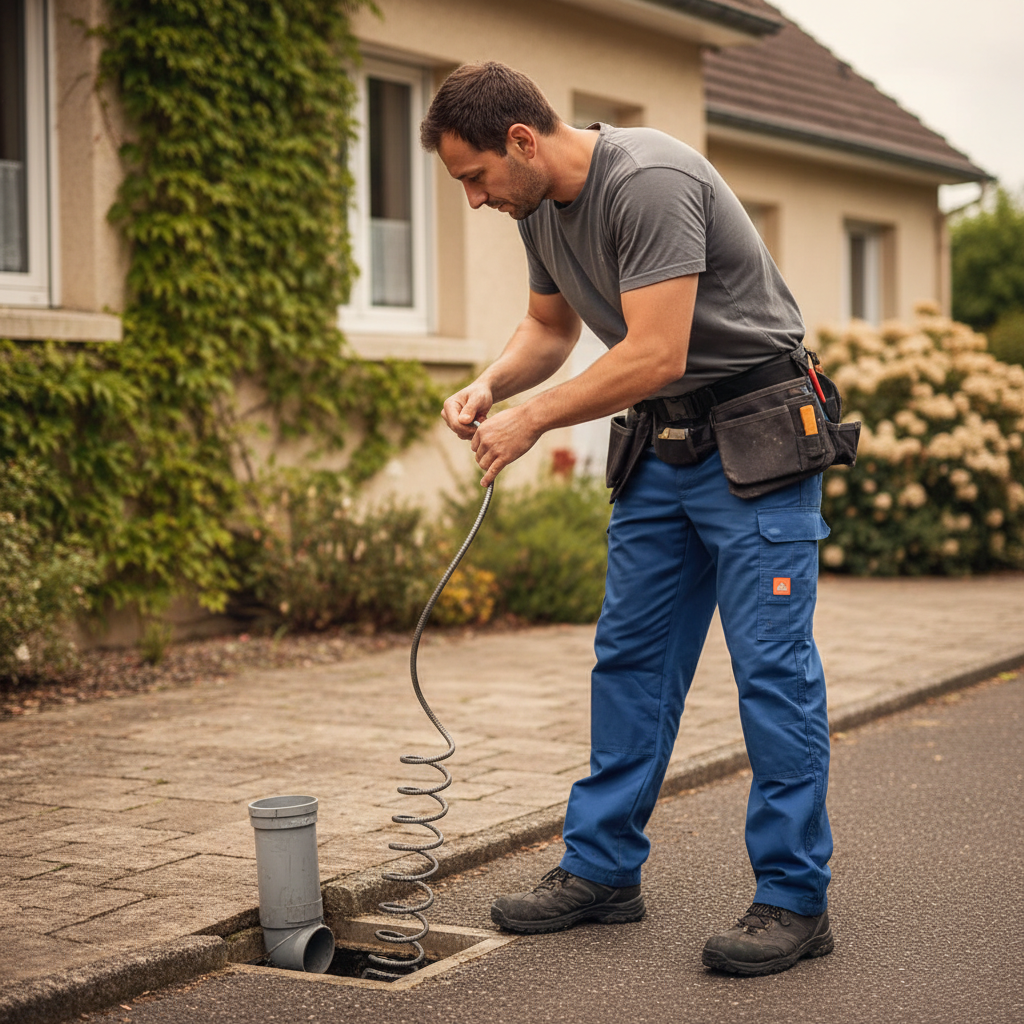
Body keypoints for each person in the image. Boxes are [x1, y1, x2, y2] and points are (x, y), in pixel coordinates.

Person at [419, 61, 836, 976]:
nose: (476, 199)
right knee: (631, 658)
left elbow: (654, 350)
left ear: (521, 141)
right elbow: (550, 330)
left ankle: (795, 898)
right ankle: (604, 871)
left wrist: (534, 418)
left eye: (475, 177)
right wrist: (493, 385)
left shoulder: (647, 180)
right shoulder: (539, 209)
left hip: (755, 439)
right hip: (663, 448)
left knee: (771, 672)